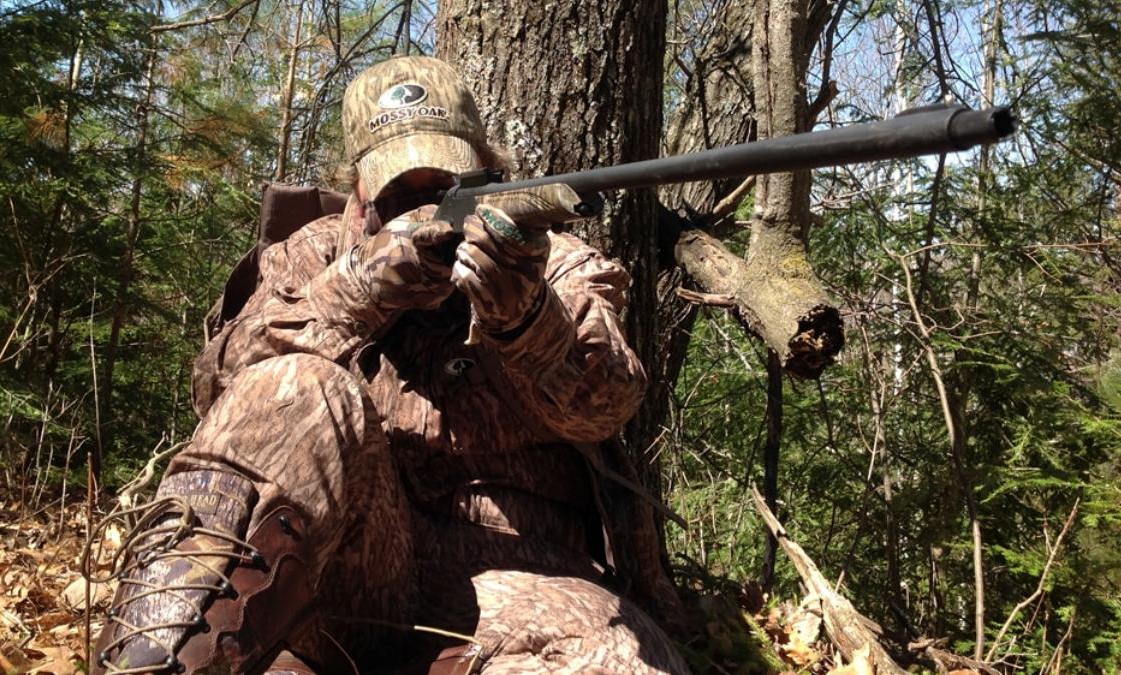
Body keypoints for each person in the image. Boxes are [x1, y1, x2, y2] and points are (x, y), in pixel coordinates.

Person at [90, 55, 689, 675]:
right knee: (294, 383)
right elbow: (220, 391)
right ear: (361, 195)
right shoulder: (313, 253)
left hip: (532, 583)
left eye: (446, 188)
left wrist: (529, 319)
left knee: (616, 661)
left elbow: (610, 406)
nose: (427, 207)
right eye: (402, 193)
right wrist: (356, 292)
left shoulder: (554, 261)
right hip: (345, 576)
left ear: (487, 168)